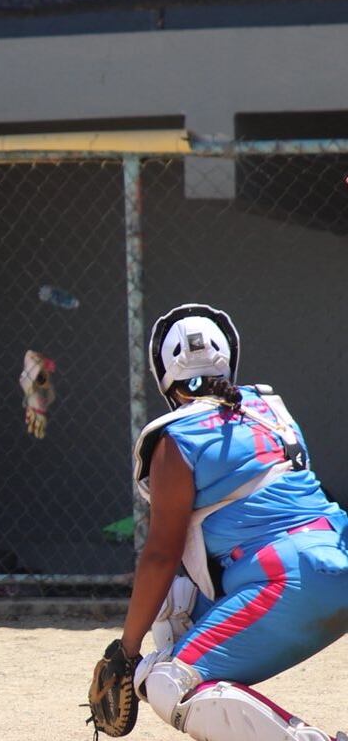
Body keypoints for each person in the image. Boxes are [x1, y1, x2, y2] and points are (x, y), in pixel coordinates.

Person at [119, 303, 347, 741]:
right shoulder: (271, 408)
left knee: (168, 683)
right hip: (336, 550)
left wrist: (126, 652)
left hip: (287, 578)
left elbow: (161, 555)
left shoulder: (176, 438)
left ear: (164, 375)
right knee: (178, 602)